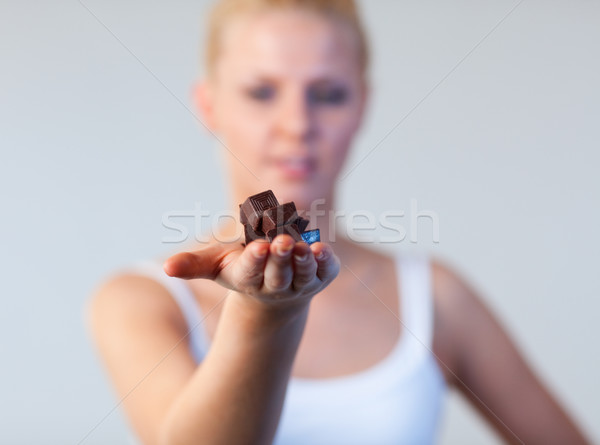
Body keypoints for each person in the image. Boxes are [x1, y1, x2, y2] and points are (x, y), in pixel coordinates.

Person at [88, 1, 591, 444]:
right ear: (208, 105)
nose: (297, 124)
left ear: (362, 107)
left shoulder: (435, 297)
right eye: (262, 92)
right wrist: (266, 313)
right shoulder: (142, 300)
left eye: (327, 94)